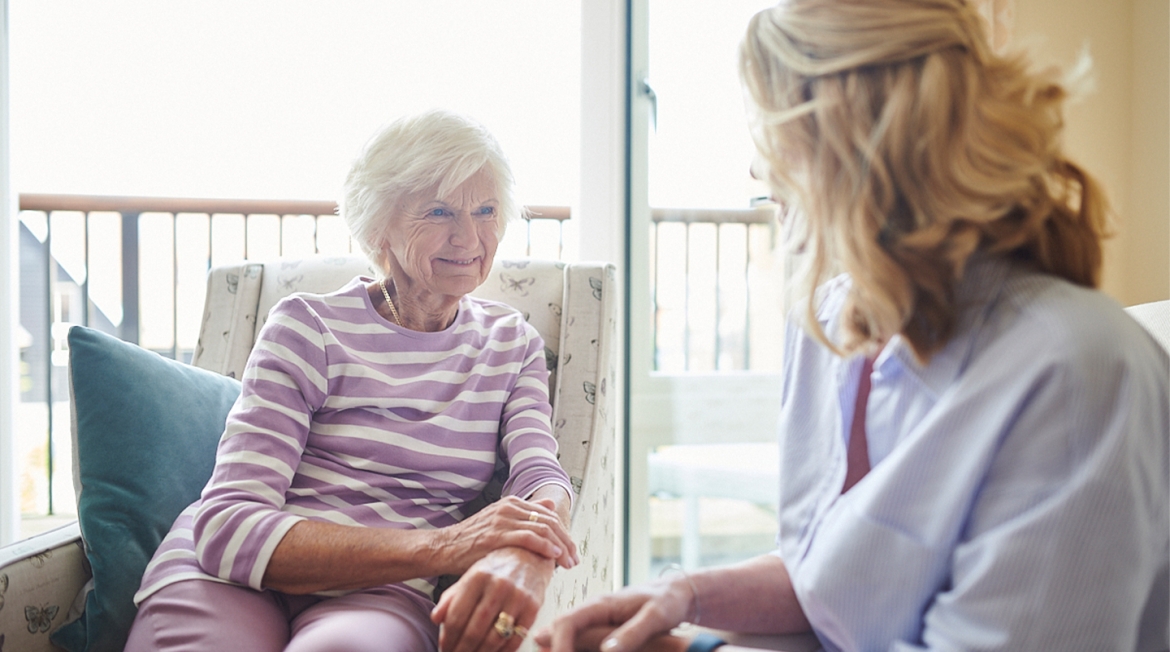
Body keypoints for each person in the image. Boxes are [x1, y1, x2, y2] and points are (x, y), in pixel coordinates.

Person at [536, 0, 1169, 650]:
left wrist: (696, 648)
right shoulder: (828, 325)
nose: (756, 170)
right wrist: (684, 595)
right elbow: (833, 584)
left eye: (769, 129)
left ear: (849, 140)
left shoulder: (1074, 369)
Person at [125, 109, 580, 652]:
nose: (469, 236)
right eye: (439, 211)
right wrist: (447, 546)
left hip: (382, 592)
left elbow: (539, 477)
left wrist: (527, 553)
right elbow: (229, 526)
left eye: (486, 210)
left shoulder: (511, 344)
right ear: (377, 223)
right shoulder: (308, 326)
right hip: (231, 573)